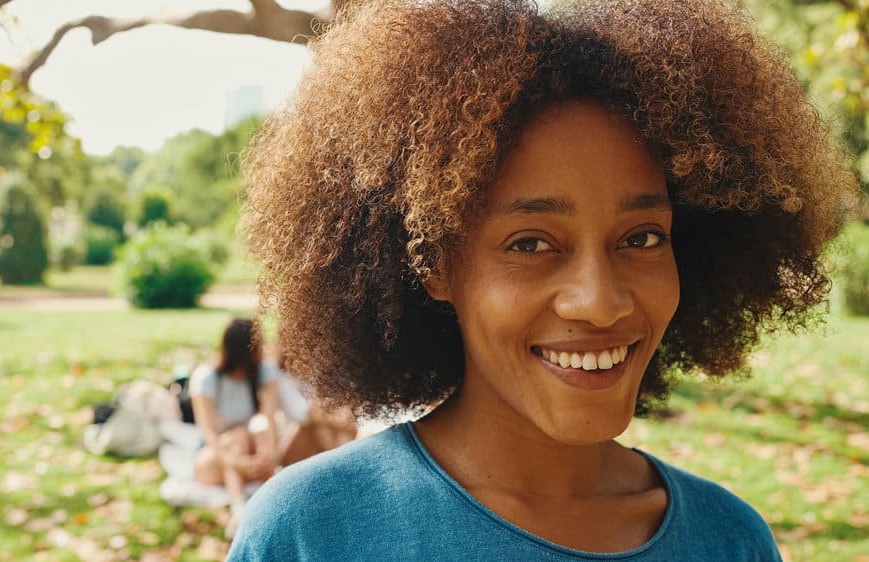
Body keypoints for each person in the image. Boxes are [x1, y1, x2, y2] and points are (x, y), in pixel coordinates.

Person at [229, 0, 858, 559]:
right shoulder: (314, 533)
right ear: (434, 266)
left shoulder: (730, 540)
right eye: (531, 244)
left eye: (641, 238)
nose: (600, 303)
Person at [189, 318, 280, 536]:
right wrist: (238, 463)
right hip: (216, 458)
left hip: (252, 454)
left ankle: (269, 500)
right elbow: (209, 433)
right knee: (236, 436)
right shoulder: (207, 378)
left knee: (257, 430)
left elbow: (268, 417)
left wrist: (266, 453)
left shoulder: (263, 373)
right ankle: (238, 507)